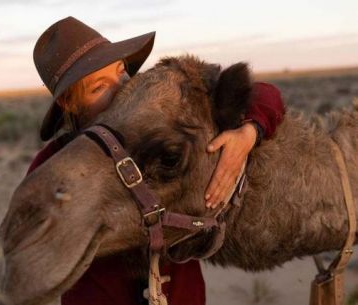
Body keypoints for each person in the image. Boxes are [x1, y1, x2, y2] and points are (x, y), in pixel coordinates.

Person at [28, 17, 285, 305]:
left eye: (122, 73)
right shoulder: (52, 165)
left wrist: (249, 131)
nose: (122, 90)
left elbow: (266, 94)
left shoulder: (162, 130)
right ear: (68, 103)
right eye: (100, 87)